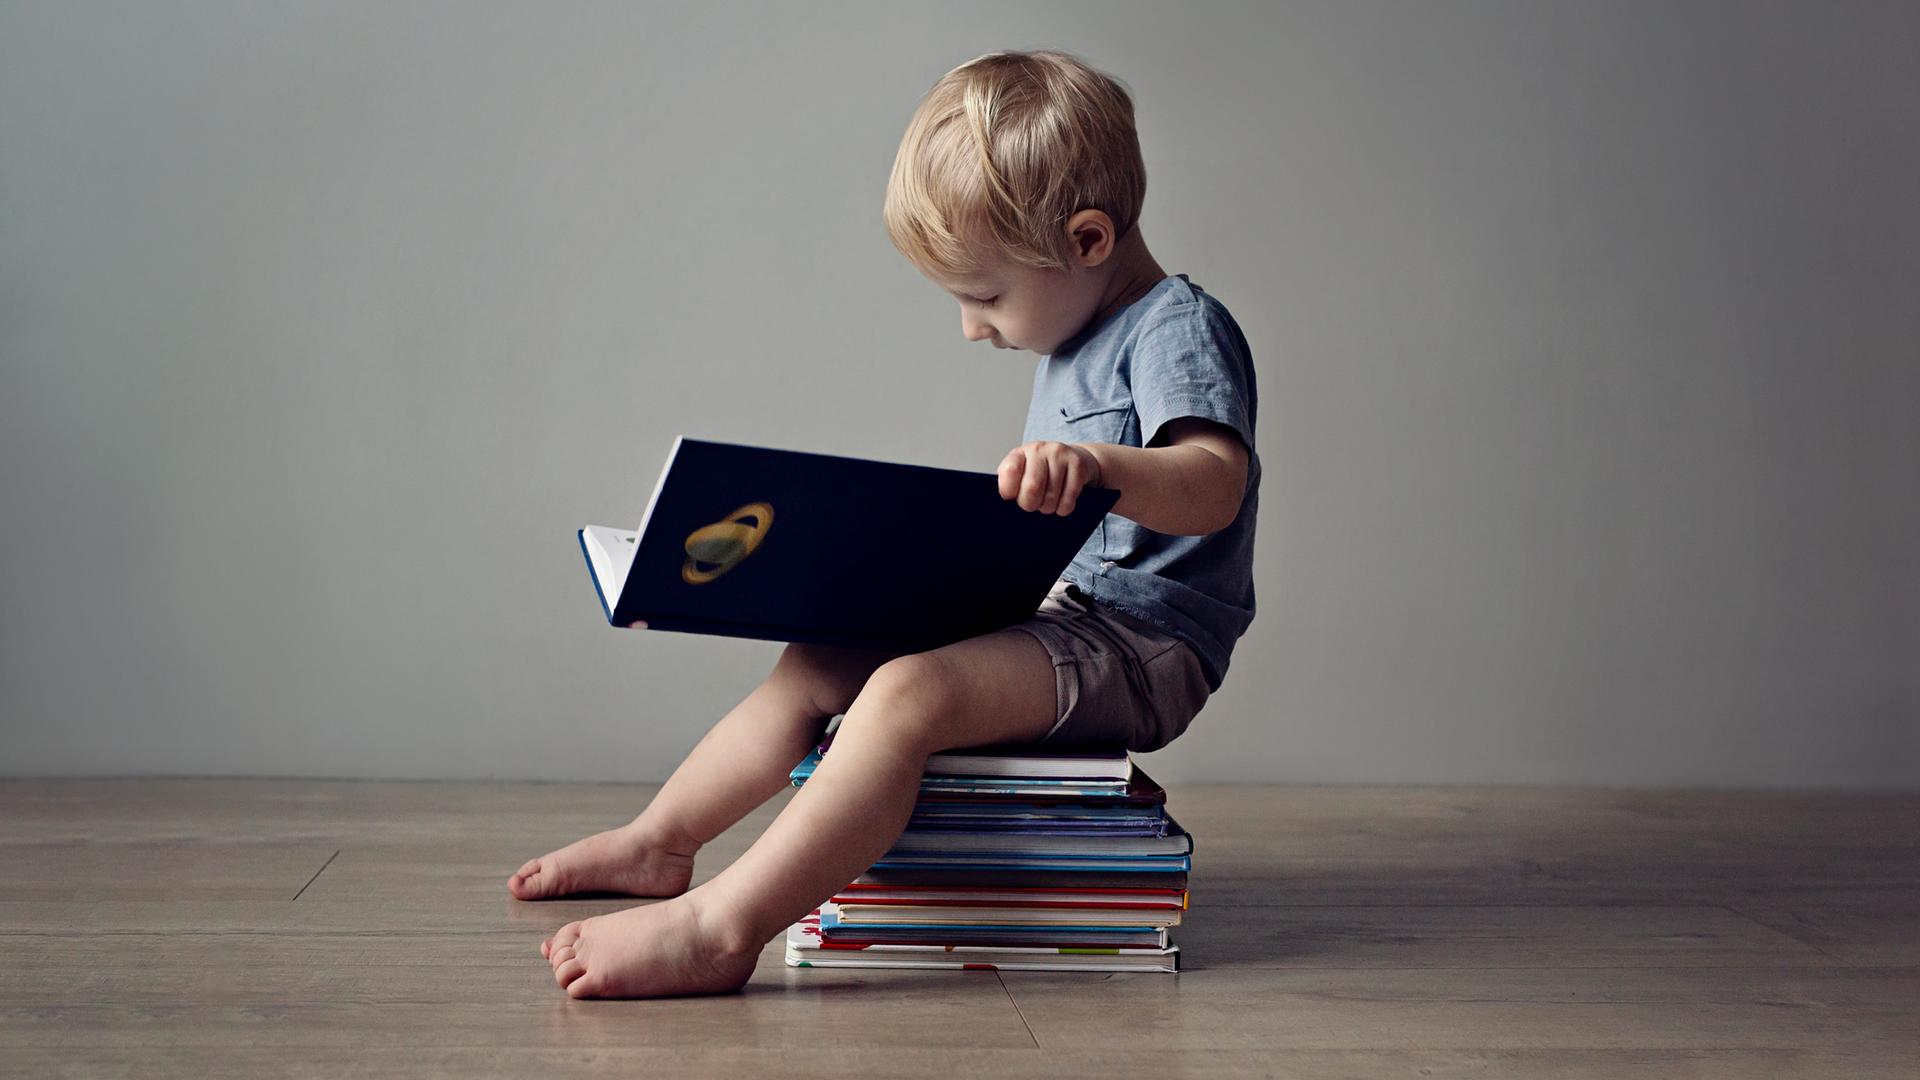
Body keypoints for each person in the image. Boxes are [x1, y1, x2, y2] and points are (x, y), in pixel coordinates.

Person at [511, 48, 1260, 999]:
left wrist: (1101, 468)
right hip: (1069, 615)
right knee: (821, 654)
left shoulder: (1175, 327)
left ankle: (720, 927)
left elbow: (1213, 483)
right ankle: (661, 843)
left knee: (909, 695)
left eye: (985, 296)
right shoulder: (1077, 330)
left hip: (1146, 645)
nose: (971, 328)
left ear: (1089, 241)